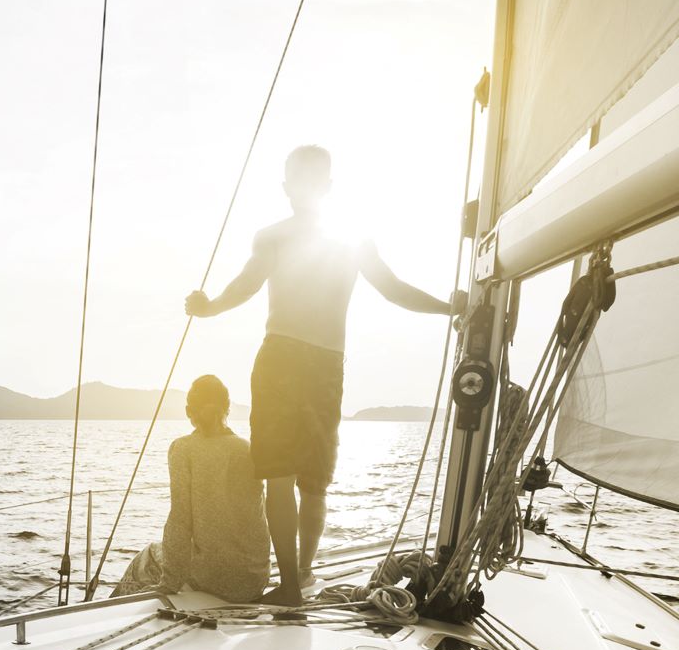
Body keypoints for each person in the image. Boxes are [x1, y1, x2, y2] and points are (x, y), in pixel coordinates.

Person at [185, 143, 461, 604]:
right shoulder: (324, 239)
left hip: (297, 362)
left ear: (316, 187)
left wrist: (449, 307)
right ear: (294, 186)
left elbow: (390, 288)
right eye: (303, 179)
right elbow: (390, 289)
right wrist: (449, 308)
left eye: (311, 179)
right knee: (302, 480)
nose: (307, 187)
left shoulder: (294, 237)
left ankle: (296, 582)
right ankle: (296, 580)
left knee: (299, 479)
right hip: (307, 363)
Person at [108, 374, 273, 604]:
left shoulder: (183, 449)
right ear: (227, 408)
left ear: (188, 411)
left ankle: (107, 614)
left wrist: (170, 582)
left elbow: (180, 519)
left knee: (145, 558)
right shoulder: (248, 449)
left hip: (214, 579)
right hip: (253, 579)